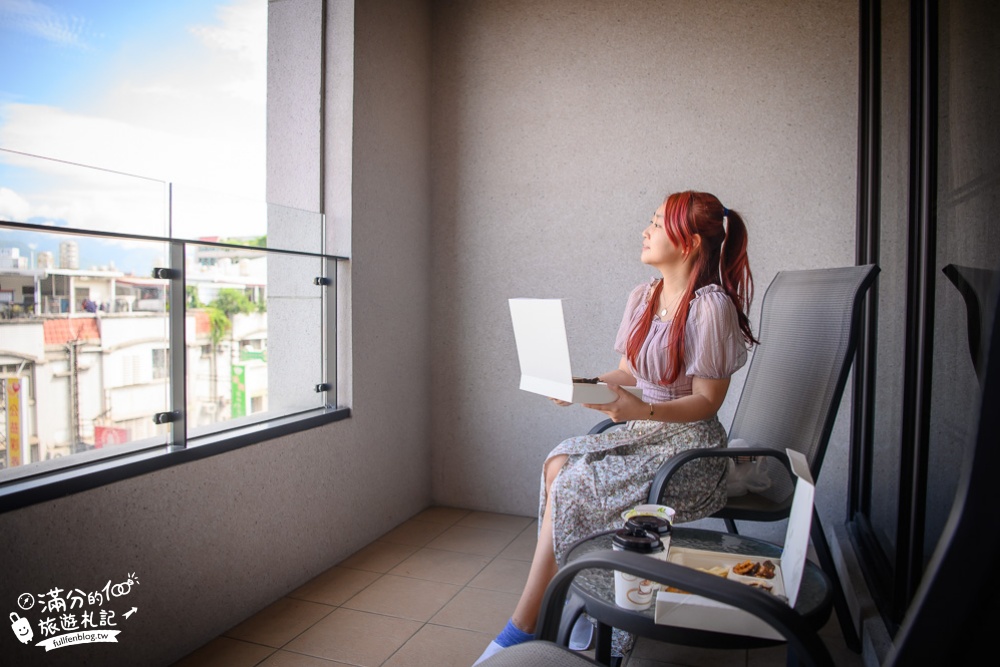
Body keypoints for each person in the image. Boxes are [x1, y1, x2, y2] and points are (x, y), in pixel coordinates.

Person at [474, 190, 758, 665]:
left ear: (687, 243)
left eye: (655, 223)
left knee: (575, 480)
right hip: (646, 431)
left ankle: (526, 623)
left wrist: (638, 413)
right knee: (559, 462)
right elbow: (628, 374)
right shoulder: (643, 296)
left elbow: (708, 402)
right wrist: (579, 385)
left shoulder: (711, 307)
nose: (645, 232)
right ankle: (579, 599)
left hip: (689, 447)